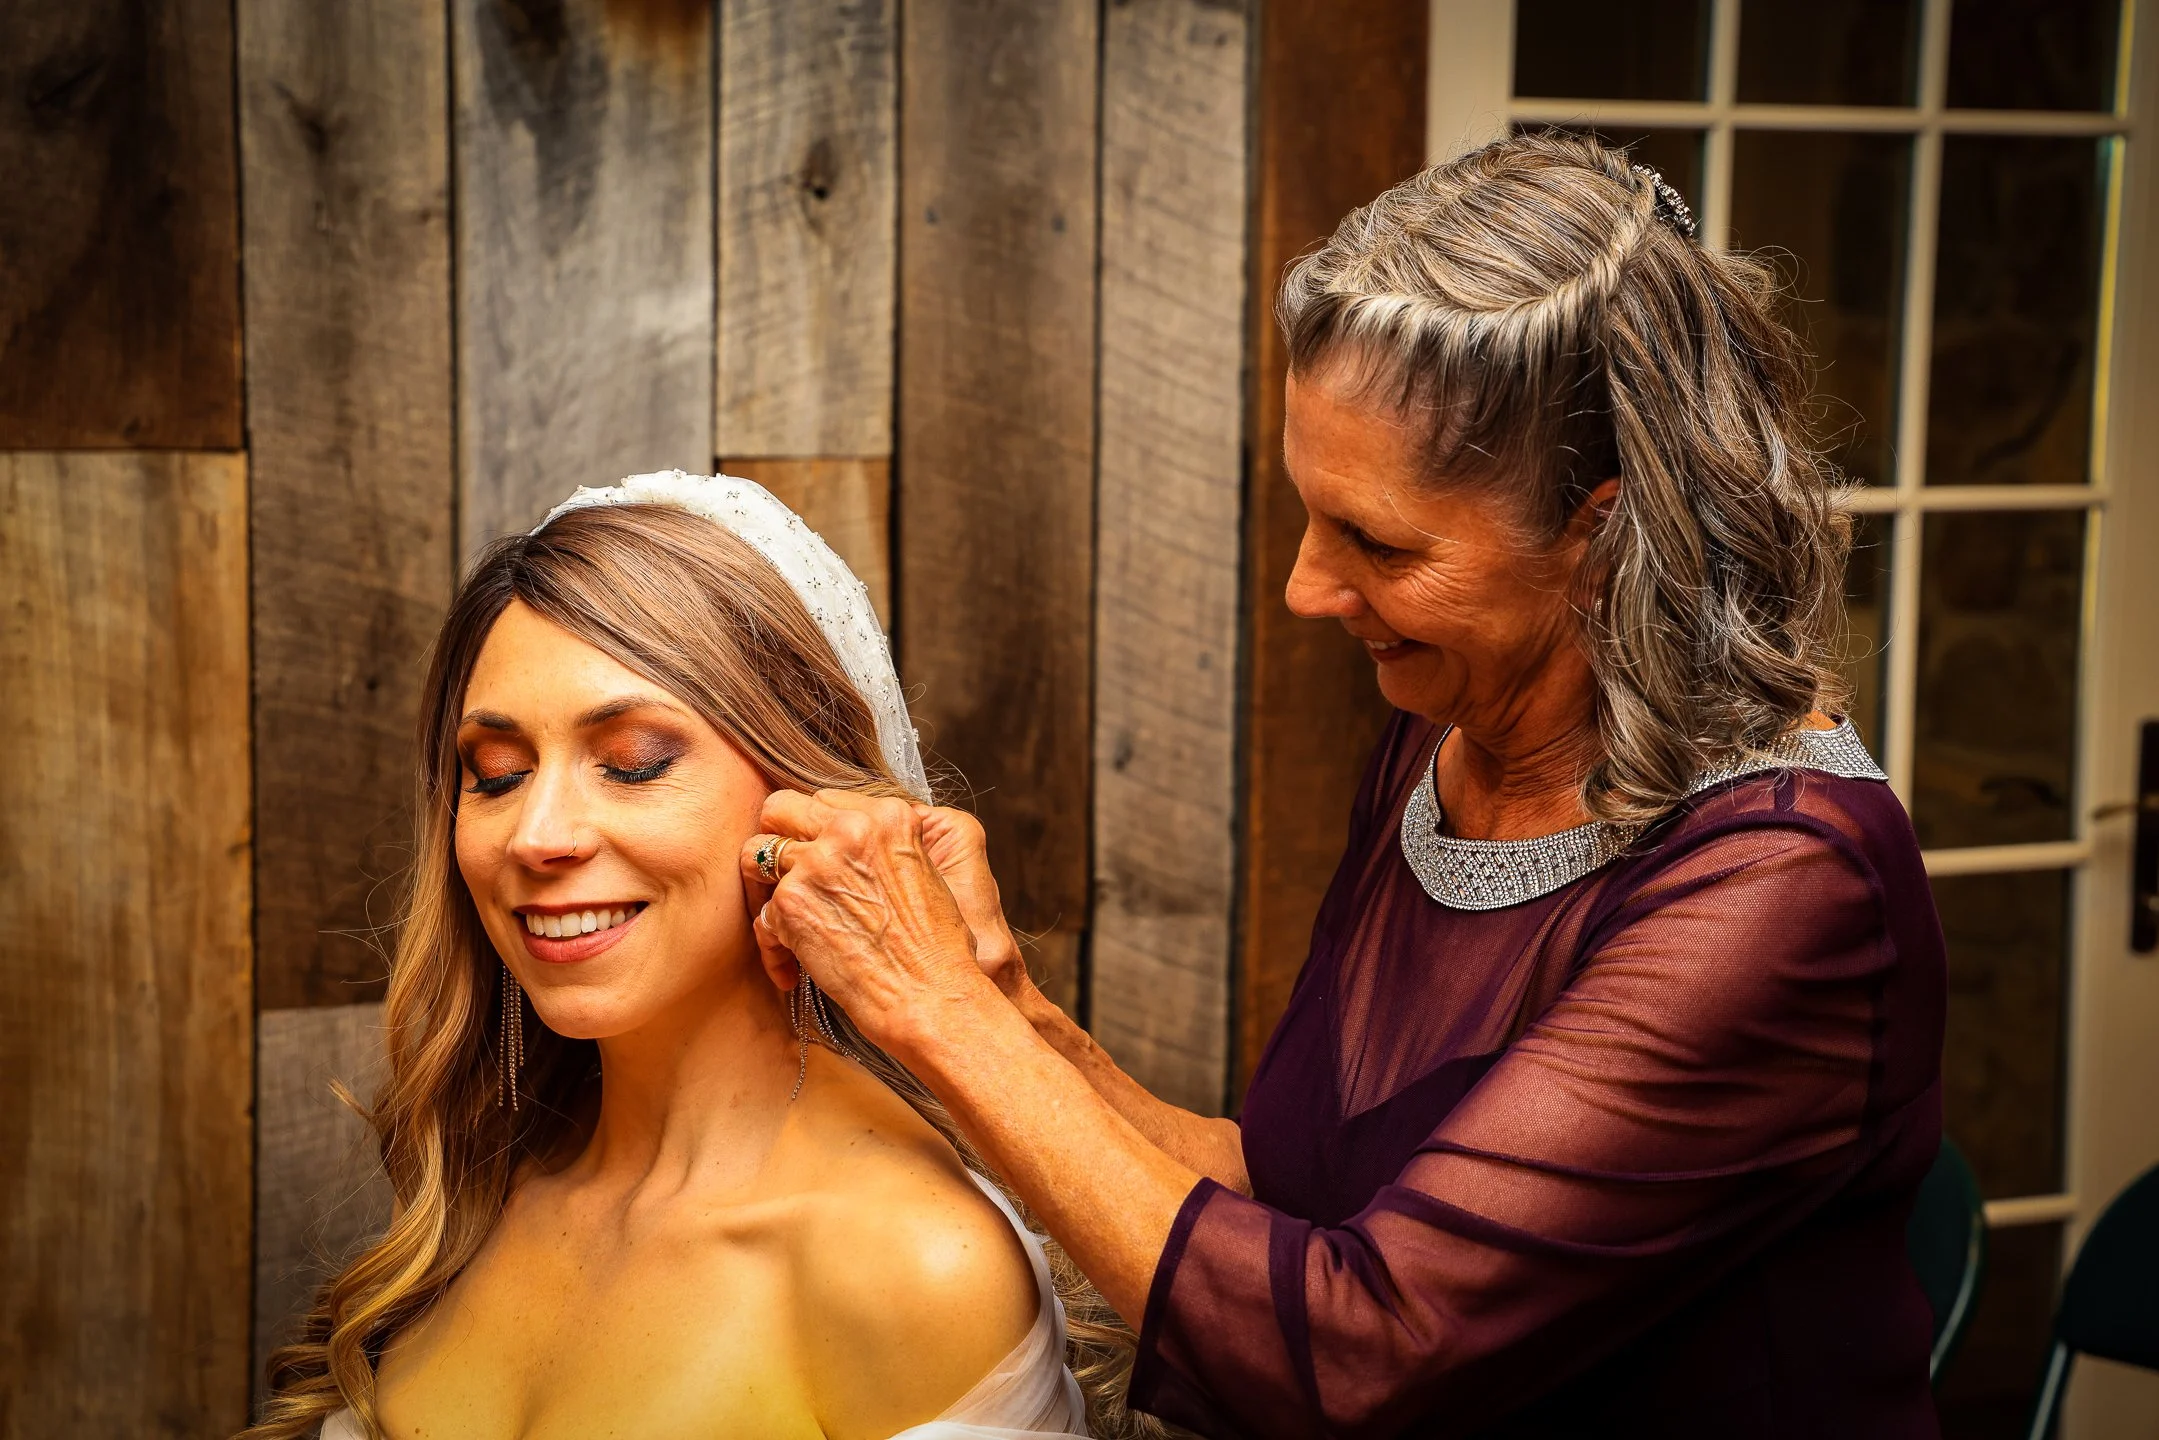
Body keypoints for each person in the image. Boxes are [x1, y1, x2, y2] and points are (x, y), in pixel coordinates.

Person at [746, 132, 1948, 1437]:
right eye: (1308, 515)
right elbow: (1282, 1195)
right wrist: (1002, 1003)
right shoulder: (1445, 733)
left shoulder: (1783, 884)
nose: (1306, 589)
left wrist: (938, 1017)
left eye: (1375, 541)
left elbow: (1364, 1356)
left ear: (1600, 535)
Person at [243, 473, 1119, 1440]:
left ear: (807, 799)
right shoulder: (482, 1192)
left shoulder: (911, 1262)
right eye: (495, 774)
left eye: (633, 763)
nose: (537, 834)